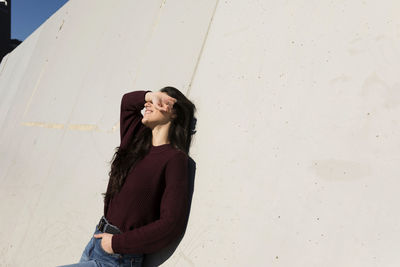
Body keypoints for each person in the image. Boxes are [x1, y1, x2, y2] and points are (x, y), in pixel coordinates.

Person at [57, 86, 197, 267]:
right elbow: (127, 103)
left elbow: (171, 223)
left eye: (160, 101)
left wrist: (115, 244)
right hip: (96, 243)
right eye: (150, 99)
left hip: (119, 258)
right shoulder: (136, 139)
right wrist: (151, 95)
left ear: (174, 113)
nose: (149, 103)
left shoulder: (175, 159)